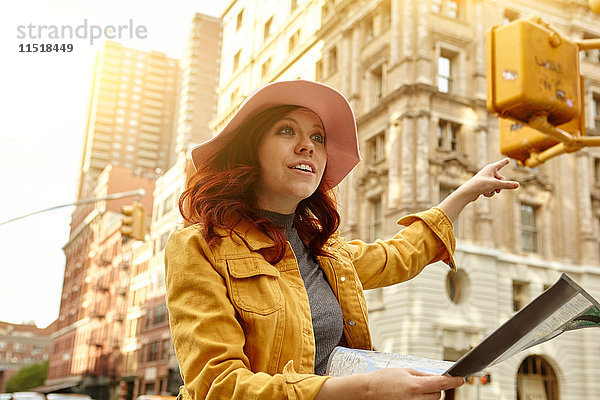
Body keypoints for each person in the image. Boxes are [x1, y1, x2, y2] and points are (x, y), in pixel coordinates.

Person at [164, 80, 519, 400]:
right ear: (250, 149)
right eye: (287, 131)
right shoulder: (197, 247)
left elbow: (399, 255)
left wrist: (465, 193)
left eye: (318, 137)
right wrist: (365, 389)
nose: (308, 146)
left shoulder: (325, 250)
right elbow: (218, 386)